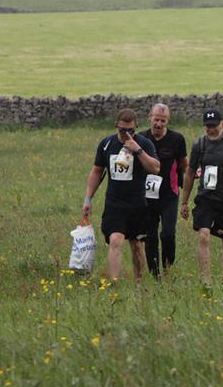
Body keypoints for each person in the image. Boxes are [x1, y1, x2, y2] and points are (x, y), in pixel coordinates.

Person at [80, 108, 160, 282]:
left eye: (130, 130)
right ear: (116, 126)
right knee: (115, 241)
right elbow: (96, 172)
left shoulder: (144, 144)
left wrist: (137, 150)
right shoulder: (106, 144)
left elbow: (155, 168)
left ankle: (139, 282)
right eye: (122, 130)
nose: (126, 134)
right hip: (115, 204)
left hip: (139, 204)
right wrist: (88, 199)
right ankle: (113, 284)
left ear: (136, 127)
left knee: (137, 245)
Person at [180, 109, 223, 283]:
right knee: (203, 234)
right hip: (206, 198)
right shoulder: (199, 145)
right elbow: (189, 173)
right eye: (208, 126)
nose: (211, 129)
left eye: (215, 125)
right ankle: (205, 280)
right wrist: (184, 202)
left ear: (222, 124)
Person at [140, 103, 187, 278]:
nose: (158, 124)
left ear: (167, 121)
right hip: (147, 196)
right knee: (150, 235)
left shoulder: (177, 139)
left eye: (163, 120)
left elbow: (184, 163)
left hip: (169, 194)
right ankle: (154, 273)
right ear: (149, 118)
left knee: (167, 233)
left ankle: (167, 267)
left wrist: (194, 171)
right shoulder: (141, 138)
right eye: (156, 119)